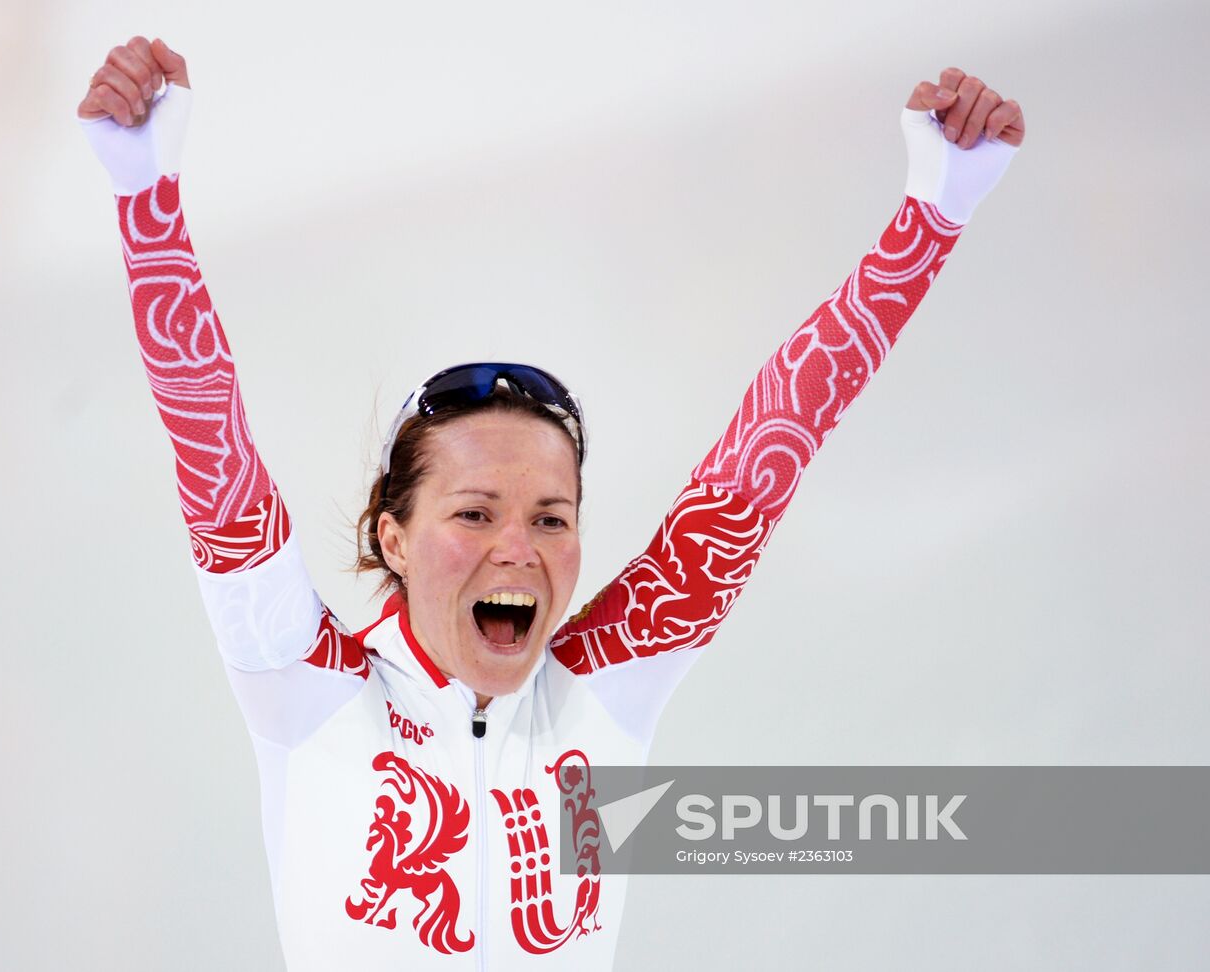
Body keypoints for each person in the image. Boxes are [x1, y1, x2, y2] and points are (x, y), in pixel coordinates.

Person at [77, 35, 1024, 970]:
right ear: (393, 537)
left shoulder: (598, 697)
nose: (519, 549)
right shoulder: (314, 690)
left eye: (551, 518)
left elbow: (763, 459)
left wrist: (934, 212)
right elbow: (211, 440)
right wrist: (142, 196)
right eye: (475, 512)